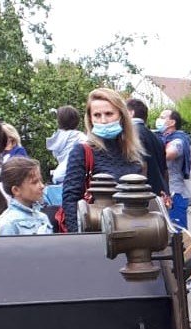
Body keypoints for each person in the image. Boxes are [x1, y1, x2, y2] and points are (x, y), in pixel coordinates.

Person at [62, 89, 144, 232]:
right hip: (95, 232)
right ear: (90, 119)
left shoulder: (133, 152)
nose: (103, 121)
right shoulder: (82, 151)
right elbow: (70, 200)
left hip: (132, 232)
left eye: (109, 114)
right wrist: (78, 237)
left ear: (121, 116)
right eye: (97, 115)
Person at [156, 107, 191, 287]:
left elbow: (169, 154)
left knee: (181, 237)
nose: (159, 119)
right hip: (169, 194)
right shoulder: (163, 138)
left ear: (172, 122)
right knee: (172, 237)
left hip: (176, 195)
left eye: (162, 117)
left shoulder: (178, 140)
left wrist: (152, 148)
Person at [0, 157, 52, 236]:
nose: (42, 186)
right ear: (16, 190)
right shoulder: (8, 223)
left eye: (41, 181)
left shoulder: (43, 218)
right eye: (35, 182)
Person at [126, 98, 170, 203]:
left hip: (142, 196)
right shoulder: (156, 137)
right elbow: (165, 170)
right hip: (158, 192)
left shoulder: (131, 135)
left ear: (131, 113)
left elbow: (141, 166)